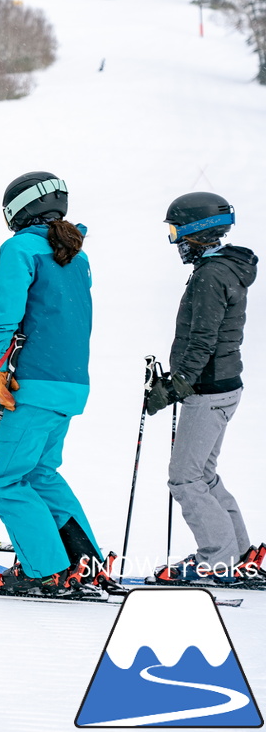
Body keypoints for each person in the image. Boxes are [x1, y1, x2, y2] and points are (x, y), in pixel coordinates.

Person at [0, 172, 111, 597]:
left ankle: (44, 570)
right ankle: (82, 563)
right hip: (68, 386)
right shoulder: (76, 255)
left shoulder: (21, 248)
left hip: (31, 385)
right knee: (39, 472)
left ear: (18, 209)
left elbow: (5, 313)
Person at [145, 192, 256, 584]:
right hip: (223, 386)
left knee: (185, 479)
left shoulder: (212, 274)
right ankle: (240, 553)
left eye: (177, 231)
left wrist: (177, 384)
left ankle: (218, 559)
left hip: (208, 391)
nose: (176, 241)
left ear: (197, 231)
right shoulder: (224, 268)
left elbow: (203, 339)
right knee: (203, 475)